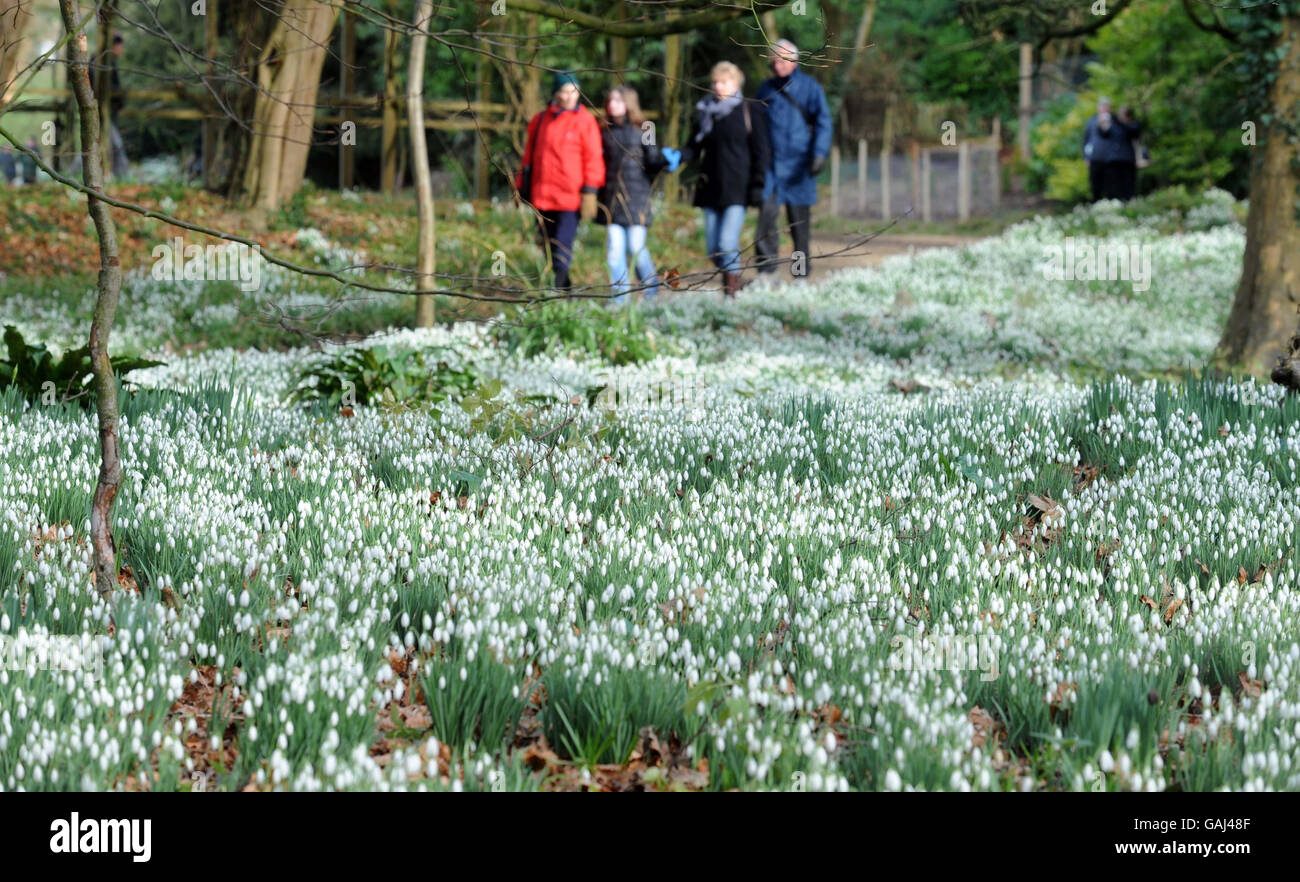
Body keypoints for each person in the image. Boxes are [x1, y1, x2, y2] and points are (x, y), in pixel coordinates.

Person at [678, 61, 769, 298]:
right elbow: (692, 147)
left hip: (738, 189)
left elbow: (761, 151)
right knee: (713, 249)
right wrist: (672, 158)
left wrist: (758, 185)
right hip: (710, 189)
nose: (719, 87)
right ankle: (734, 280)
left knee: (728, 243)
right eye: (716, 82)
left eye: (724, 82)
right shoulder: (706, 113)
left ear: (736, 83)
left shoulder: (750, 111)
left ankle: (732, 295)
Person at [516, 70, 605, 292]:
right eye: (565, 91)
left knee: (562, 247)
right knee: (546, 245)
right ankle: (565, 289)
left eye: (574, 91)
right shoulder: (539, 121)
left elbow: (593, 158)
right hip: (542, 196)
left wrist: (590, 190)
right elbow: (529, 157)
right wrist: (520, 187)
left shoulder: (586, 121)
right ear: (557, 93)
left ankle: (558, 295)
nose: (570, 96)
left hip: (570, 198)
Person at [754, 39, 832, 280]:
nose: (779, 65)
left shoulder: (810, 88)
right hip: (771, 168)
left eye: (784, 60)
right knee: (766, 221)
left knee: (799, 226)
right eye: (775, 60)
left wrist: (819, 153)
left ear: (795, 61)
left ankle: (801, 275)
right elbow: (755, 126)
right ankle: (767, 273)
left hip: (800, 168)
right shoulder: (765, 90)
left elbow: (824, 122)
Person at [595, 86, 681, 304]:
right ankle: (620, 300)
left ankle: (651, 292)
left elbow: (652, 160)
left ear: (629, 103)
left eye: (618, 100)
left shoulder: (646, 128)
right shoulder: (602, 130)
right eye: (610, 100)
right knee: (614, 252)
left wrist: (667, 161)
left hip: (638, 199)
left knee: (636, 248)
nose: (612, 104)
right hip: (611, 200)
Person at [108, 34, 128, 179]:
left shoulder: (111, 63)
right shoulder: (104, 62)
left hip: (109, 112)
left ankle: (119, 175)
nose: (121, 50)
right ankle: (123, 175)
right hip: (103, 112)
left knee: (114, 144)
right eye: (120, 46)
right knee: (116, 143)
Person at [1112, 105, 1142, 202]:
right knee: (1118, 183)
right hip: (1117, 159)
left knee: (1129, 182)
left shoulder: (1133, 124)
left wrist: (1119, 121)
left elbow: (1134, 132)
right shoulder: (1116, 125)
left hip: (1129, 158)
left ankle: (1130, 200)